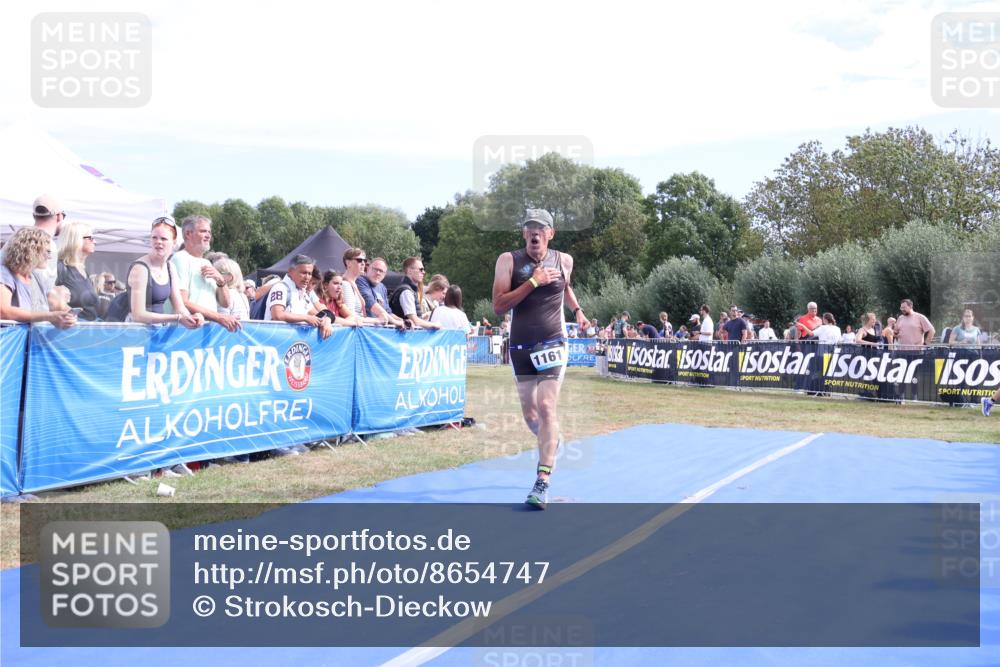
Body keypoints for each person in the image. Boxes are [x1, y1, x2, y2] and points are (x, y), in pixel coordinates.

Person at [492, 208, 588, 510]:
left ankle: (542, 481)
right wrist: (533, 282)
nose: (535, 233)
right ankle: (552, 439)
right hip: (520, 346)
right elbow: (498, 305)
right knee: (532, 417)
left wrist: (578, 311)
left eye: (541, 228)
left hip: (553, 342)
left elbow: (566, 287)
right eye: (529, 228)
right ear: (524, 234)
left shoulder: (564, 260)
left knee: (547, 407)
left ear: (550, 234)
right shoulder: (508, 260)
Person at [125, 216, 203, 328]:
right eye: (154, 238)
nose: (158, 242)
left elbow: (179, 308)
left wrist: (193, 317)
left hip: (157, 333)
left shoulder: (170, 268)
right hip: (136, 335)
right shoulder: (140, 268)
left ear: (174, 242)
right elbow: (138, 315)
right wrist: (177, 318)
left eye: (163, 239)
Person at [168, 215, 240, 332]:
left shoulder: (206, 262)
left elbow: (225, 303)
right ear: (188, 234)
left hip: (203, 333)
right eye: (203, 231)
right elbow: (181, 302)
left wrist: (221, 281)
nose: (208, 236)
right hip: (183, 333)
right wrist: (220, 318)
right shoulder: (180, 259)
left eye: (209, 232)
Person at [0, 227, 76, 328]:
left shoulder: (37, 277)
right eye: (47, 252)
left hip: (32, 341)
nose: (49, 257)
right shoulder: (4, 273)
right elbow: (3, 311)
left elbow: (55, 303)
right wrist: (50, 316)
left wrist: (68, 316)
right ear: (32, 250)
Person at [263, 254, 333, 340]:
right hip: (276, 341)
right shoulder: (281, 288)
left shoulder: (302, 292)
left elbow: (318, 315)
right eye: (303, 273)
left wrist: (327, 320)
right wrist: (306, 318)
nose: (307, 277)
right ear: (290, 271)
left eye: (309, 273)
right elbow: (277, 315)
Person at [56, 222, 100, 320]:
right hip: (68, 331)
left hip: (87, 331)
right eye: (91, 238)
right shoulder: (60, 267)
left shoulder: (83, 271)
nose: (95, 241)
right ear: (76, 239)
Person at [389, 257, 441, 329]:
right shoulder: (406, 291)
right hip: (403, 338)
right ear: (410, 271)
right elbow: (415, 321)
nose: (423, 272)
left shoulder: (410, 290)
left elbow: (412, 318)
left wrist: (424, 316)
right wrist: (434, 325)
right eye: (421, 269)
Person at [355, 257, 405, 326]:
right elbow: (370, 303)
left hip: (380, 329)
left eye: (381, 271)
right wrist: (394, 321)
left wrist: (402, 321)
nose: (378, 273)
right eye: (375, 269)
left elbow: (388, 312)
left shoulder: (382, 287)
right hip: (366, 328)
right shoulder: (360, 280)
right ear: (368, 268)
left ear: (384, 275)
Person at [214, 256, 250, 321]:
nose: (213, 276)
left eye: (217, 273)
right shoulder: (242, 295)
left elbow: (219, 322)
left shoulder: (226, 295)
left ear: (229, 277)